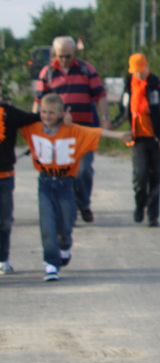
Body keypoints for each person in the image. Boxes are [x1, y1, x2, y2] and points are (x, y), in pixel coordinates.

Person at [21, 94, 132, 281]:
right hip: (45, 184)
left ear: (61, 114)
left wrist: (120, 135)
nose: (46, 116)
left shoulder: (72, 130)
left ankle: (65, 246)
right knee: (47, 225)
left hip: (65, 185)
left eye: (51, 113)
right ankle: (51, 264)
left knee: (65, 226)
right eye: (43, 112)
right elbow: (12, 121)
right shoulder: (33, 128)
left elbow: (96, 132)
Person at [34, 36, 109, 224]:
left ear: (74, 53)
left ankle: (83, 203)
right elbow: (39, 102)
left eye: (68, 56)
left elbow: (100, 96)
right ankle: (69, 212)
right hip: (58, 134)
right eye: (61, 56)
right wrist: (35, 126)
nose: (65, 60)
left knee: (83, 170)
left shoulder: (86, 69)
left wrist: (106, 119)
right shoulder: (47, 72)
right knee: (64, 174)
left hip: (84, 131)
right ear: (55, 54)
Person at [113, 53, 160, 227]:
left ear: (147, 67)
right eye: (135, 71)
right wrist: (113, 125)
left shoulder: (158, 86)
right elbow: (124, 110)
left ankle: (153, 216)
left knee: (156, 177)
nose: (138, 74)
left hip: (156, 138)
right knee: (140, 175)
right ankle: (140, 204)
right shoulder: (129, 85)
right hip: (138, 139)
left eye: (141, 70)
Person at [0, 101, 44, 273]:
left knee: (4, 221)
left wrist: (62, 116)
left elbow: (36, 118)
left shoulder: (8, 112)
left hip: (5, 176)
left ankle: (2, 258)